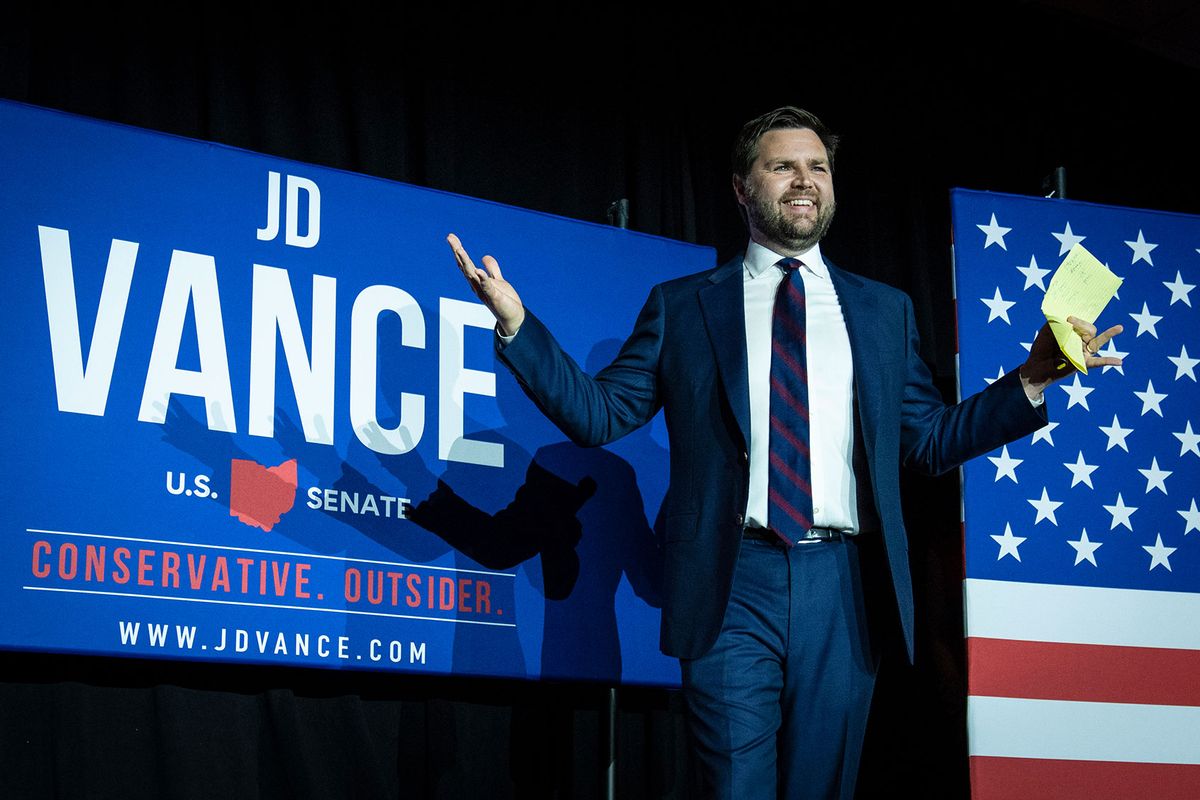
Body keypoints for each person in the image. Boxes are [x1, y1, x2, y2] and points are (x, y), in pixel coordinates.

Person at [447, 106, 1123, 799]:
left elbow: (927, 441)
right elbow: (600, 413)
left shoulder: (883, 310)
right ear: (742, 188)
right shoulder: (683, 307)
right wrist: (518, 327)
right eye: (783, 166)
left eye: (818, 167)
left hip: (845, 588)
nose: (805, 180)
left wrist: (1033, 377)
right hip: (730, 583)